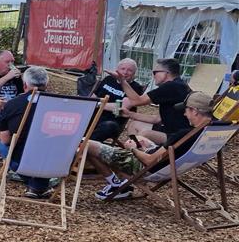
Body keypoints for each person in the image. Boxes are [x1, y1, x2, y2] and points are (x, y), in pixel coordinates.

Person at [87, 91, 221, 200]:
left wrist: (132, 149)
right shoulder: (211, 132)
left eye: (186, 110)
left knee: (86, 144)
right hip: (168, 166)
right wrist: (147, 147)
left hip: (143, 166)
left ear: (195, 111)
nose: (185, 114)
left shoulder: (183, 135)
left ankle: (115, 185)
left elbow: (148, 161)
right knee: (139, 138)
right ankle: (119, 182)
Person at [0, 66, 54, 199]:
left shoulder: (12, 104)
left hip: (23, 160)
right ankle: (39, 185)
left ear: (25, 85)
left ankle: (34, 185)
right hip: (56, 161)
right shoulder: (62, 105)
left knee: (3, 145)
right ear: (46, 84)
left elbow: (5, 140)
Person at [119, 58, 192, 144]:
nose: (153, 76)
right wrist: (130, 114)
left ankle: (142, 154)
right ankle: (137, 152)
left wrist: (122, 81)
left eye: (155, 72)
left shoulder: (170, 87)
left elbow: (137, 101)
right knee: (134, 125)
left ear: (166, 73)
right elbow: (158, 119)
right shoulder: (179, 85)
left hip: (178, 137)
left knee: (143, 135)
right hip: (175, 131)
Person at [89, 58, 145, 142]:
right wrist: (100, 103)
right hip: (93, 114)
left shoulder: (135, 88)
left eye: (130, 70)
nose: (125, 72)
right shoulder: (108, 79)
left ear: (134, 74)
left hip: (113, 120)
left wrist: (98, 104)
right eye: (123, 69)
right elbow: (92, 97)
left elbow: (119, 109)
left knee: (108, 126)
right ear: (117, 70)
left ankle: (84, 146)